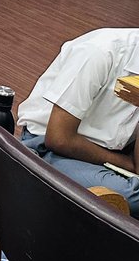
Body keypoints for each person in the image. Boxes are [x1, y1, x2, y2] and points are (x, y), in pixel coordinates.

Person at [17, 28, 139, 213]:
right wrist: (125, 164)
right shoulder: (101, 51)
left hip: (113, 151)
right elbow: (58, 138)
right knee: (129, 197)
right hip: (47, 147)